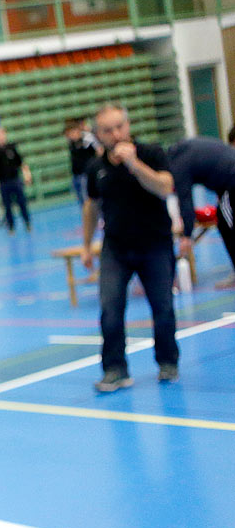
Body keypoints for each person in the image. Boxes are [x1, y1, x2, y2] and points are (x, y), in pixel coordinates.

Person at [80, 103, 178, 392]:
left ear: (128, 125)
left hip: (155, 244)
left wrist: (135, 165)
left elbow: (164, 186)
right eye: (108, 130)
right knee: (110, 308)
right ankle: (115, 369)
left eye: (120, 126)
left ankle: (167, 361)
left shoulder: (152, 153)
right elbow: (91, 206)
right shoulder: (96, 169)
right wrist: (86, 246)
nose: (115, 134)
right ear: (99, 135)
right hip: (116, 248)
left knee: (163, 307)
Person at [169, 134, 235, 287]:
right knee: (224, 221)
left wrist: (187, 235)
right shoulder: (184, 150)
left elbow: (185, 201)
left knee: (228, 225)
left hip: (231, 181)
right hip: (227, 181)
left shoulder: (177, 164)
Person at [0, 125, 32, 232]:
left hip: (15, 180)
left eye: (2, 134)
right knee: (7, 207)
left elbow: (22, 163)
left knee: (22, 203)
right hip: (3, 183)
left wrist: (27, 175)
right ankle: (11, 226)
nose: (0, 137)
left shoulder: (12, 147)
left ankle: (27, 223)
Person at [64, 117, 98, 206]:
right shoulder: (71, 143)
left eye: (72, 132)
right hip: (76, 175)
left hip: (85, 174)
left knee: (88, 199)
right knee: (81, 200)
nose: (70, 135)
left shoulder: (87, 139)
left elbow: (98, 150)